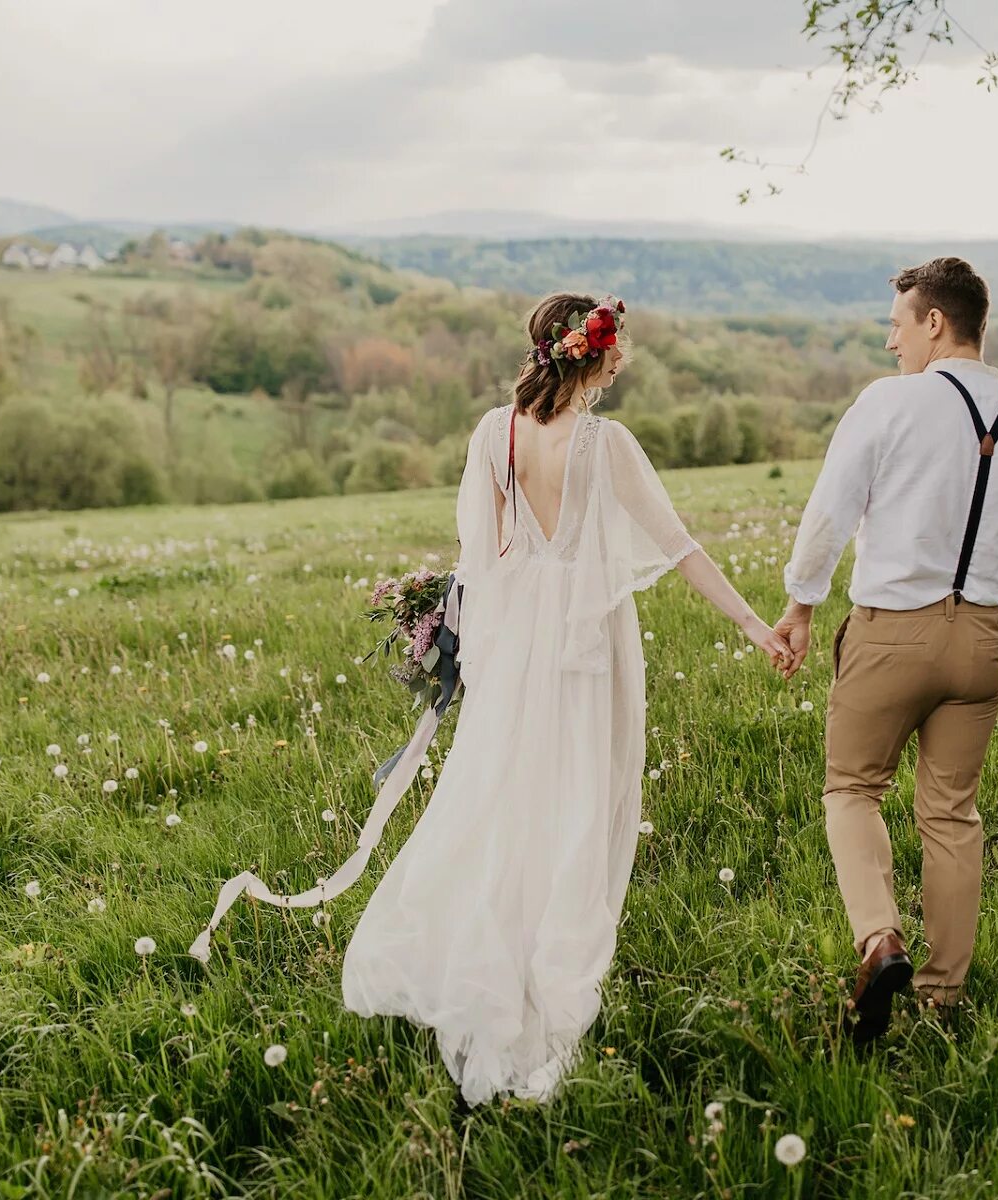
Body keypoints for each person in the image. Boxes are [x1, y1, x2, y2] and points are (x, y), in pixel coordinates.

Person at [191, 292, 790, 1107]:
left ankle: (483, 946)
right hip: (584, 647)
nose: (626, 359)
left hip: (514, 648)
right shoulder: (604, 444)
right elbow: (680, 546)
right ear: (596, 353)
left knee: (503, 797)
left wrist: (463, 643)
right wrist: (757, 627)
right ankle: (543, 975)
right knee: (576, 801)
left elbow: (481, 551)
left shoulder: (492, 432)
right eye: (621, 348)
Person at [772, 257, 998, 1046]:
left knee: (850, 790)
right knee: (951, 814)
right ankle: (941, 998)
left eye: (898, 324)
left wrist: (802, 603)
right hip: (981, 639)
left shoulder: (890, 404)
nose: (890, 342)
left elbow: (829, 512)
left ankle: (880, 939)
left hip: (890, 630)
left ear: (935, 322)